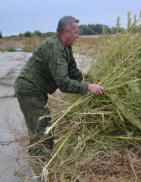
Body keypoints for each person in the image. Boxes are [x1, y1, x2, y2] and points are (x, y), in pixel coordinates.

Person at [14, 16, 104, 157]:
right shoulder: (54, 48)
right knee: (42, 133)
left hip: (38, 91)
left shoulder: (66, 48)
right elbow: (64, 84)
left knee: (44, 131)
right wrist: (88, 87)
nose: (78, 36)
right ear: (66, 31)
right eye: (76, 33)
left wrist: (95, 80)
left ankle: (41, 164)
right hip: (29, 90)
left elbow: (73, 72)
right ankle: (40, 171)